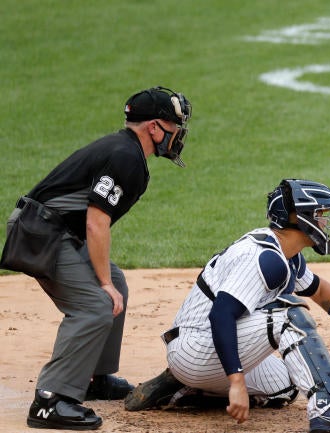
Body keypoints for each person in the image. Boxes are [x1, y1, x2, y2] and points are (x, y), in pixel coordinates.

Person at [124, 179, 330, 433]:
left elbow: (323, 293)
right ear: (300, 218)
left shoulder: (287, 256)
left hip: (210, 354)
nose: (326, 223)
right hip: (195, 348)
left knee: (290, 384)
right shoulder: (263, 258)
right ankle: (328, 411)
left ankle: (183, 389)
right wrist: (237, 382)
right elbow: (221, 314)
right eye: (321, 214)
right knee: (289, 314)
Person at [7, 86, 192, 430]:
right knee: (94, 304)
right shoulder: (125, 156)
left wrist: (109, 279)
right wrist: (102, 283)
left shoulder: (125, 149)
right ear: (153, 127)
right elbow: (96, 221)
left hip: (52, 230)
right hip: (42, 235)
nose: (177, 135)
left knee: (116, 281)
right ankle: (51, 401)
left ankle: (95, 378)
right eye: (173, 126)